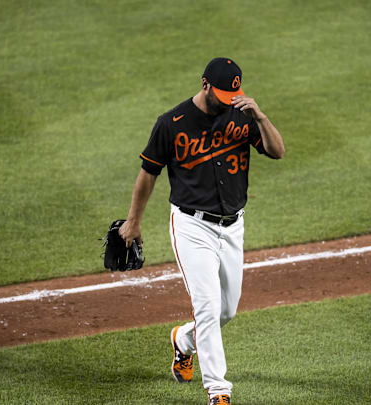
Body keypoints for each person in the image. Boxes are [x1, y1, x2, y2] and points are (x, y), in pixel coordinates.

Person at [119, 57, 285, 405]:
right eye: (221, 95)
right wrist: (133, 221)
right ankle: (218, 391)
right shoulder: (172, 123)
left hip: (233, 226)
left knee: (227, 311)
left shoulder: (241, 114)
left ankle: (183, 341)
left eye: (233, 96)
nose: (226, 103)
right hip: (192, 226)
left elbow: (277, 151)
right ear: (205, 84)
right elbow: (148, 174)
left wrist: (260, 115)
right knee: (208, 307)